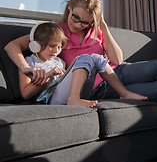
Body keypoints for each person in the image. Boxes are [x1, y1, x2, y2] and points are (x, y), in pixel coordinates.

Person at [5, 0, 157, 104]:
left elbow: (117, 60)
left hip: (116, 72)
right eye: (75, 17)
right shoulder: (54, 32)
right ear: (69, 8)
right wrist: (26, 68)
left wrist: (101, 25)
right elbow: (12, 46)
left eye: (85, 22)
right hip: (97, 88)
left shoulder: (94, 30)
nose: (79, 25)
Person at [19, 22, 147, 107]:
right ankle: (73, 99)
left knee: (97, 58)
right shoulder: (30, 63)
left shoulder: (59, 62)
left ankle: (123, 93)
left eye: (59, 47)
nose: (56, 51)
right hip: (51, 99)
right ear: (36, 45)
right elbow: (25, 94)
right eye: (52, 46)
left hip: (70, 92)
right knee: (84, 58)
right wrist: (49, 74)